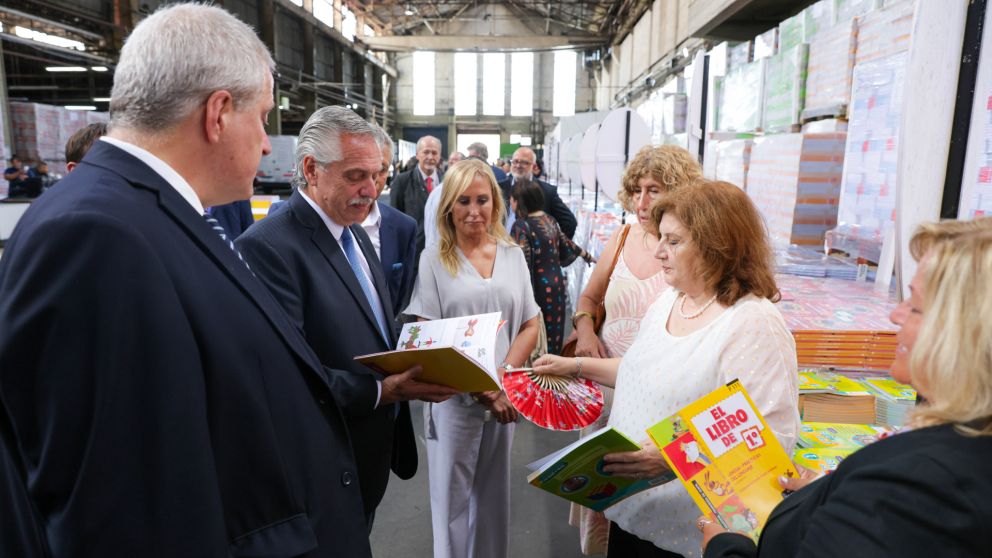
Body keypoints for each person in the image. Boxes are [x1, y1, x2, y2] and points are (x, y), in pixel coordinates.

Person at [0, 5, 373, 556]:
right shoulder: (95, 236)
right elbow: (125, 510)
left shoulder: (149, 214)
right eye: (263, 118)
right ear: (218, 112)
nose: (268, 144)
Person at [534, 179, 800, 558]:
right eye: (661, 238)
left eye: (673, 242)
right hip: (633, 514)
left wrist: (672, 456)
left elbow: (768, 434)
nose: (658, 251)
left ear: (717, 246)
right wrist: (576, 365)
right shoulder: (669, 301)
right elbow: (643, 370)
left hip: (691, 536)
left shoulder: (753, 323)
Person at [699, 218, 992, 558]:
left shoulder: (916, 486)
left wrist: (725, 546)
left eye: (914, 305)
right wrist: (825, 495)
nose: (896, 314)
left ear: (964, 335)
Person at [236, 106, 457, 528]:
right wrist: (383, 391)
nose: (371, 190)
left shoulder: (352, 232)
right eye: (355, 175)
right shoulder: (270, 248)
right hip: (318, 464)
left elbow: (371, 323)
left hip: (362, 461)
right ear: (311, 170)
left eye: (377, 176)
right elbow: (288, 376)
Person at [566, 144, 703, 555]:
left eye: (655, 191)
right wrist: (586, 333)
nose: (642, 202)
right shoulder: (623, 236)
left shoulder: (688, 249)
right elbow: (588, 299)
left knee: (644, 484)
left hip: (656, 396)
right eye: (637, 190)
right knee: (601, 486)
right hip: (605, 383)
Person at [404, 158, 541, 558]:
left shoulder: (512, 255)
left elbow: (531, 324)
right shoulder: (434, 259)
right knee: (451, 505)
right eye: (463, 201)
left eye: (482, 200)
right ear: (448, 206)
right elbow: (428, 336)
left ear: (496, 204)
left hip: (505, 398)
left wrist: (503, 379)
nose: (474, 210)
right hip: (453, 401)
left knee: (494, 499)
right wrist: (484, 388)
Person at [509, 179, 594, 354]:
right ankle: (552, 374)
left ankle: (536, 377)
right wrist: (586, 255)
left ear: (518, 200)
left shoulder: (521, 226)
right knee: (553, 336)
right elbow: (566, 244)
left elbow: (521, 263)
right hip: (556, 289)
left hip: (537, 290)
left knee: (534, 338)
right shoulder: (550, 219)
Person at [364, 126, 419, 317]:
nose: (373, 179)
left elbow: (401, 297)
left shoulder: (404, 228)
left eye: (381, 169)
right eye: (363, 168)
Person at [498, 146, 577, 238]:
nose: (518, 165)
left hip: (534, 249)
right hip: (503, 245)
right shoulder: (499, 187)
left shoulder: (547, 191)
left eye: (524, 162)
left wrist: (557, 246)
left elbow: (569, 222)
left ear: (534, 166)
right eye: (515, 161)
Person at [391, 135, 442, 258]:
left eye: (434, 153)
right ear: (417, 154)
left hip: (442, 252)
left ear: (439, 156)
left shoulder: (448, 181)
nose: (430, 157)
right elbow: (395, 218)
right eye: (426, 152)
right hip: (413, 252)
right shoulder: (402, 181)